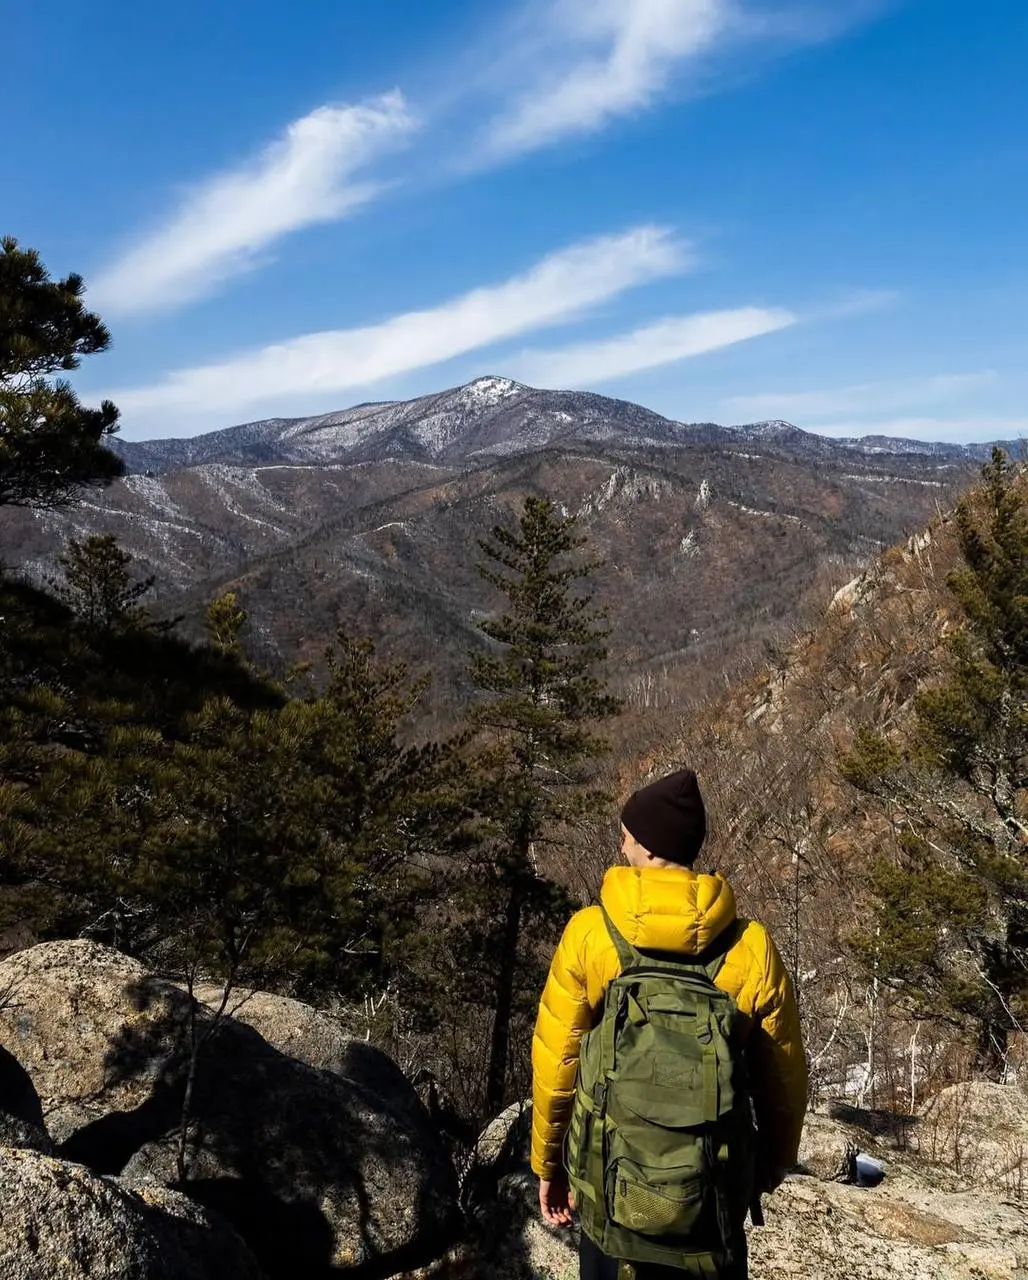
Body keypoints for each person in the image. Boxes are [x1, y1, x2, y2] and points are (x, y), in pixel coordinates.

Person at [530, 769, 807, 1279]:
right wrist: (769, 1166)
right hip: (711, 1200)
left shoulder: (591, 934)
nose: (621, 845)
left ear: (648, 849)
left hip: (607, 1194)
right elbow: (784, 1078)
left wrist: (548, 1166)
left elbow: (557, 1062)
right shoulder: (750, 948)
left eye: (626, 836)